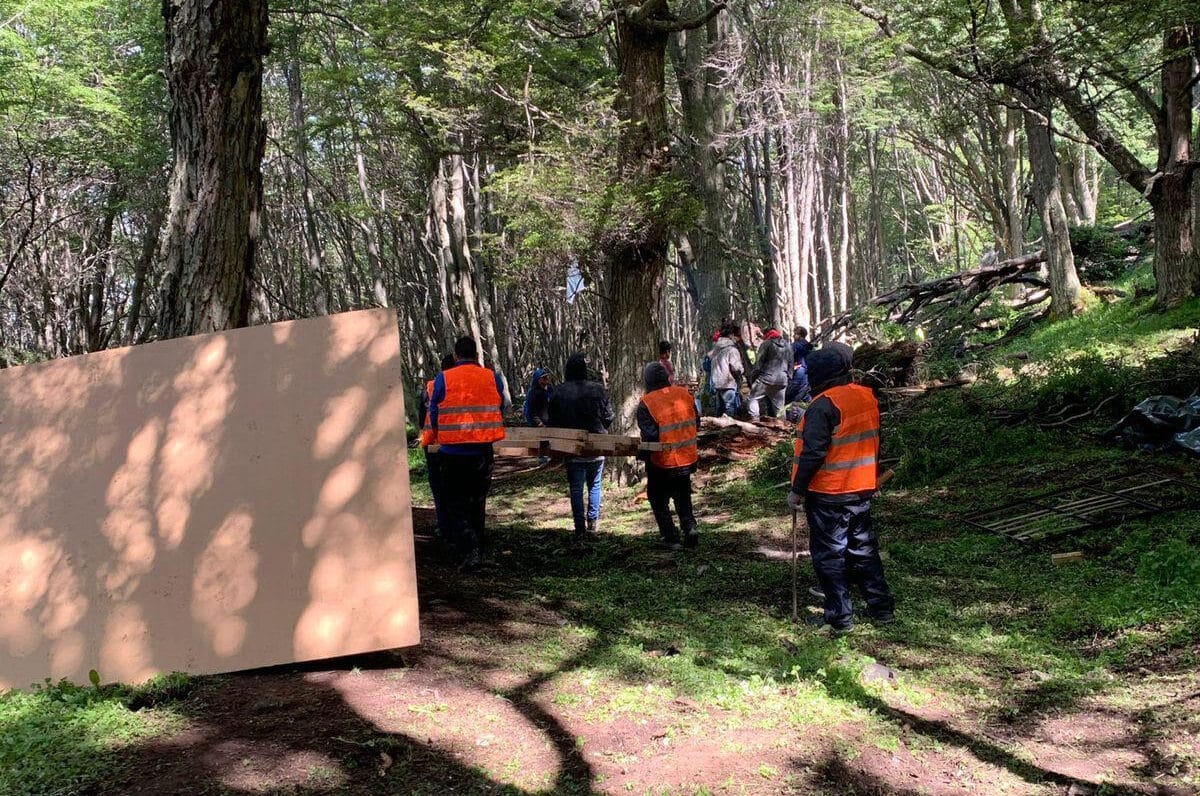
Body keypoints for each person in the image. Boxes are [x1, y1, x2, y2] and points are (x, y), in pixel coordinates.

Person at [787, 342, 895, 633]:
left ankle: (839, 618)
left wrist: (797, 490)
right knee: (863, 549)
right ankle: (881, 608)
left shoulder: (823, 405)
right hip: (861, 488)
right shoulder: (865, 396)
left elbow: (813, 453)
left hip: (829, 493)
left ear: (820, 376)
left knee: (830, 554)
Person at [429, 336, 508, 571]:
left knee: (455, 503)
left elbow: (434, 411)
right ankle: (477, 549)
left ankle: (468, 551)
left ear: (455, 355)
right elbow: (499, 406)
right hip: (482, 452)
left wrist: (441, 434)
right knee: (477, 501)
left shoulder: (444, 378)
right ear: (476, 355)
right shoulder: (491, 377)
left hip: (452, 453)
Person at [548, 353, 615, 538]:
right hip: (597, 445)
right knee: (595, 484)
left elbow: (552, 421)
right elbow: (609, 417)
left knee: (576, 488)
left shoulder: (557, 391)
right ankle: (592, 525)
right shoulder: (598, 389)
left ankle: (579, 528)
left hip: (571, 448)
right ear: (585, 370)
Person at [637, 362, 700, 551]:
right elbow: (696, 422)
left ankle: (670, 536)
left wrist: (642, 453)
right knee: (683, 495)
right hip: (688, 457)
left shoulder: (647, 403)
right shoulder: (684, 394)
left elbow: (651, 437)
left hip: (662, 461)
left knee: (657, 497)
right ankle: (690, 529)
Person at [418, 353, 457, 537]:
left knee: (439, 490)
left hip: (432, 445)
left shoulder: (430, 387)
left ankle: (444, 526)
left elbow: (421, 418)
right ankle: (456, 528)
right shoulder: (459, 388)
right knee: (455, 489)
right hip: (452, 446)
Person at [747, 327, 791, 420]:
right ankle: (784, 428)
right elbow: (791, 363)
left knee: (753, 398)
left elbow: (759, 362)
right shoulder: (787, 345)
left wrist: (753, 376)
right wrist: (788, 376)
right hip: (782, 380)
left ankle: (755, 420)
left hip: (766, 378)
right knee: (779, 408)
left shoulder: (766, 343)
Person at [706, 322, 744, 417]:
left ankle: (720, 429)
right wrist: (741, 371)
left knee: (719, 410)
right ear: (731, 336)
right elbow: (735, 368)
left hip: (717, 383)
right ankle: (728, 430)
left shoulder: (715, 349)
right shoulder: (732, 350)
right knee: (729, 408)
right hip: (728, 383)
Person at [786, 326, 813, 406]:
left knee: (792, 391)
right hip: (809, 370)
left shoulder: (795, 345)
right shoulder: (809, 345)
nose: (794, 336)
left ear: (799, 335)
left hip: (800, 370)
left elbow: (788, 357)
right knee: (804, 390)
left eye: (795, 334)